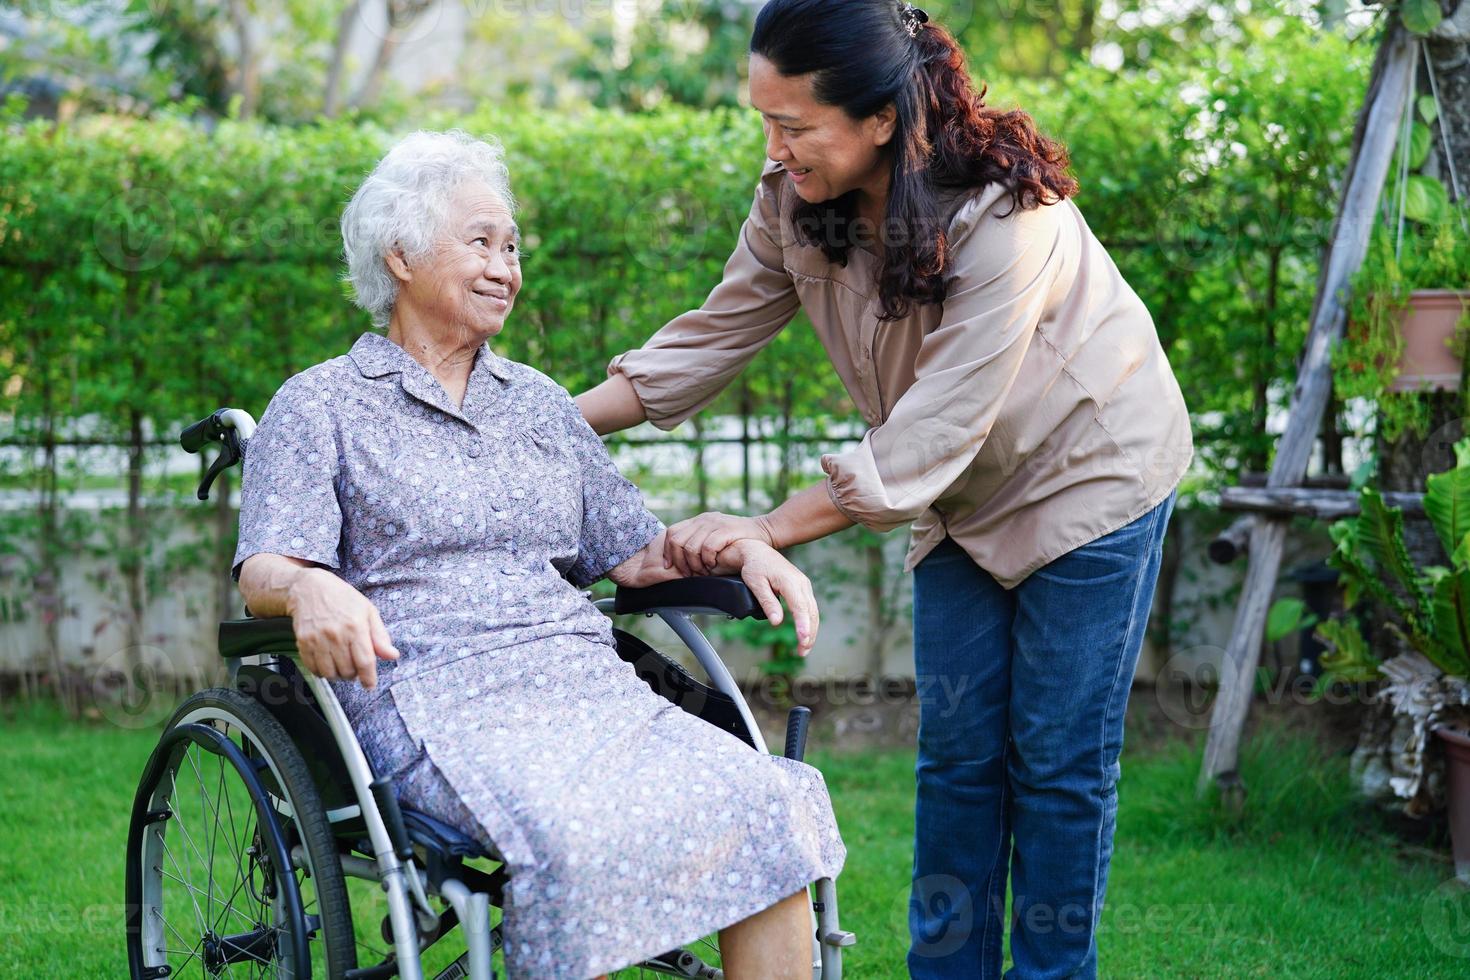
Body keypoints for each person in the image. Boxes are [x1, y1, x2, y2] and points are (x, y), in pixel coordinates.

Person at [574, 2, 1193, 977]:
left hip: (1089, 475)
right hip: (958, 497)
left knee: (1057, 765)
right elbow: (710, 335)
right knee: (957, 761)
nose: (774, 152)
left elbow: (933, 430)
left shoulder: (1004, 213)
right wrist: (542, 424)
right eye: (763, 123)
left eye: (794, 126)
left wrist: (765, 528)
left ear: (880, 119)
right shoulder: (795, 198)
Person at [232, 129, 846, 980]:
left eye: (513, 246)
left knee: (763, 800)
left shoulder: (542, 405)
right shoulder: (320, 405)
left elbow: (637, 556)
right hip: (433, 694)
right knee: (575, 836)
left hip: (585, 688)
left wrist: (743, 546)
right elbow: (264, 565)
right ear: (399, 254)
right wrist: (308, 590)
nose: (506, 265)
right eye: (480, 241)